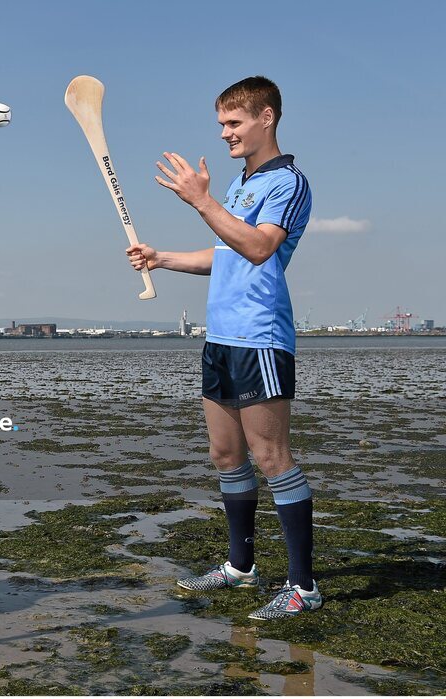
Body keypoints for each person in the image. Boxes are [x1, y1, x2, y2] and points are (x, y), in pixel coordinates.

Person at [126, 76, 317, 620]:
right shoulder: (238, 186)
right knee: (226, 456)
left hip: (260, 337)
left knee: (271, 458)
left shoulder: (288, 182)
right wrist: (161, 257)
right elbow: (225, 254)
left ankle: (303, 586)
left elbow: (258, 248)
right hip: (221, 338)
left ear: (267, 118)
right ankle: (240, 567)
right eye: (221, 124)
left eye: (233, 123)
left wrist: (202, 200)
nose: (225, 133)